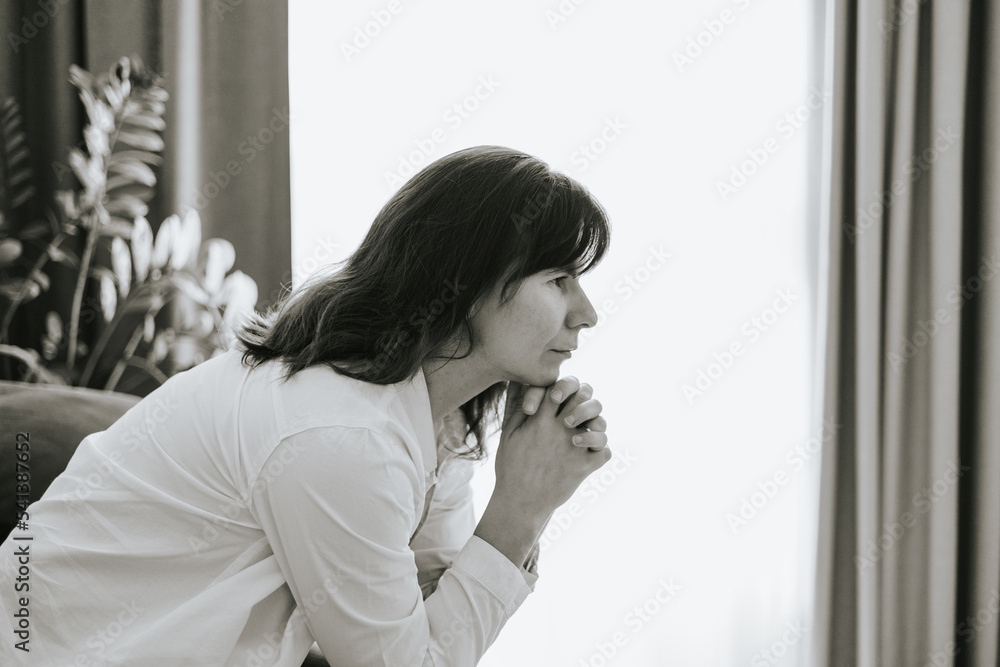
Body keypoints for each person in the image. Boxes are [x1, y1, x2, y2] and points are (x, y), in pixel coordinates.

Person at [0, 145, 612, 666]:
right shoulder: (342, 431)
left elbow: (432, 621)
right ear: (467, 278)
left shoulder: (438, 416)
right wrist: (522, 508)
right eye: (559, 279)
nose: (586, 313)